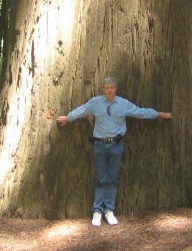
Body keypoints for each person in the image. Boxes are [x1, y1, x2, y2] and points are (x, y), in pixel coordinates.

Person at [57, 76, 172, 227]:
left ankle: (109, 211)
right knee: (101, 178)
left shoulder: (123, 104)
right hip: (100, 145)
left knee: (112, 178)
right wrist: (68, 118)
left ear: (115, 89)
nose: (109, 90)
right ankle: (97, 212)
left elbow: (140, 112)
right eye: (107, 88)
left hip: (116, 146)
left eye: (112, 88)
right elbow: (82, 110)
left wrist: (159, 114)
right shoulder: (96, 102)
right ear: (103, 89)